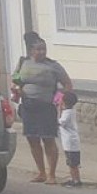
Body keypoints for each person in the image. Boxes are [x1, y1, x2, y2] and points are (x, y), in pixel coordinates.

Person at [11, 34, 76, 185]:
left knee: (48, 139)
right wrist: (16, 88)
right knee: (32, 139)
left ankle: (51, 174)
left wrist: (58, 100)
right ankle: (41, 172)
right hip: (28, 106)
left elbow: (67, 84)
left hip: (46, 107)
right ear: (31, 50)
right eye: (38, 49)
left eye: (44, 49)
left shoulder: (53, 66)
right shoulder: (23, 62)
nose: (41, 52)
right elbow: (15, 78)